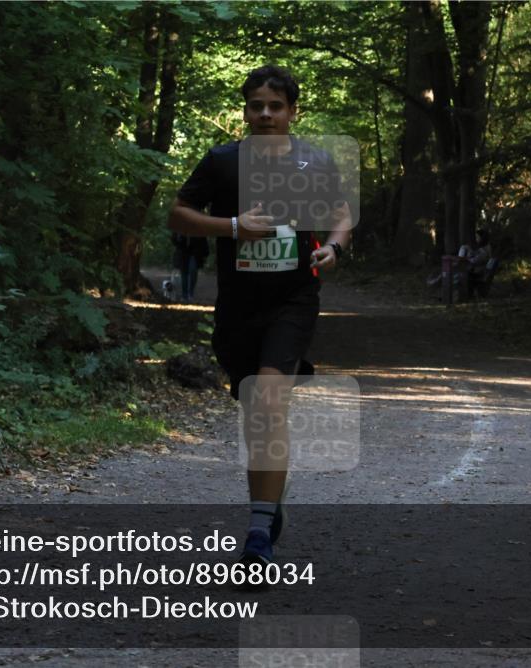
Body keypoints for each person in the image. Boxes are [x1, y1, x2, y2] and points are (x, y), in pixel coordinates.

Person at [168, 65, 351, 569]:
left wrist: (333, 249)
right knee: (257, 413)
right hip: (237, 308)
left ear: (293, 111)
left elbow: (339, 216)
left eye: (276, 105)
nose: (266, 114)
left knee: (268, 403)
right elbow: (178, 213)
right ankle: (267, 511)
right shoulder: (223, 161)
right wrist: (231, 226)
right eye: (256, 105)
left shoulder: (315, 162)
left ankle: (257, 536)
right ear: (245, 110)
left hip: (293, 300)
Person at [171, 232, 210, 302]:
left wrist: (205, 253)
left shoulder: (197, 227)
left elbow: (203, 240)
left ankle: (190, 293)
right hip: (183, 253)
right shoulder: (181, 227)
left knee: (193, 271)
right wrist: (177, 238)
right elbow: (174, 239)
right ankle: (184, 295)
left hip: (195, 254)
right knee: (184, 274)